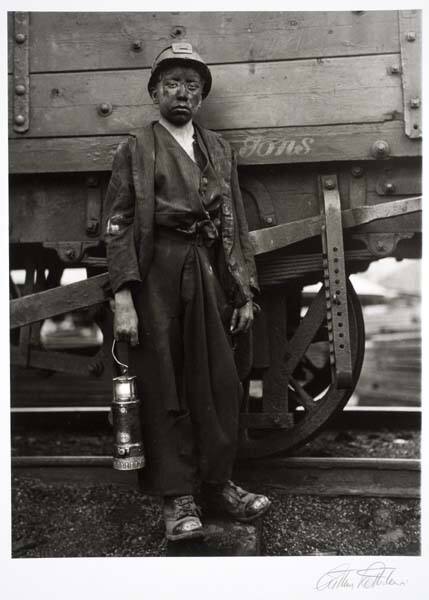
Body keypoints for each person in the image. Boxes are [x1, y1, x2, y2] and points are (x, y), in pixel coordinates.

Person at [104, 41, 271, 542]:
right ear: (155, 92)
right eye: (171, 84)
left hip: (208, 270)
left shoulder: (217, 148)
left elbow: (234, 222)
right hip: (157, 274)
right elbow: (117, 224)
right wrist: (123, 297)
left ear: (201, 97)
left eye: (191, 86)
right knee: (164, 386)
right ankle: (177, 500)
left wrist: (243, 290)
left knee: (219, 382)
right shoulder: (135, 147)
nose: (182, 93)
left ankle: (219, 484)